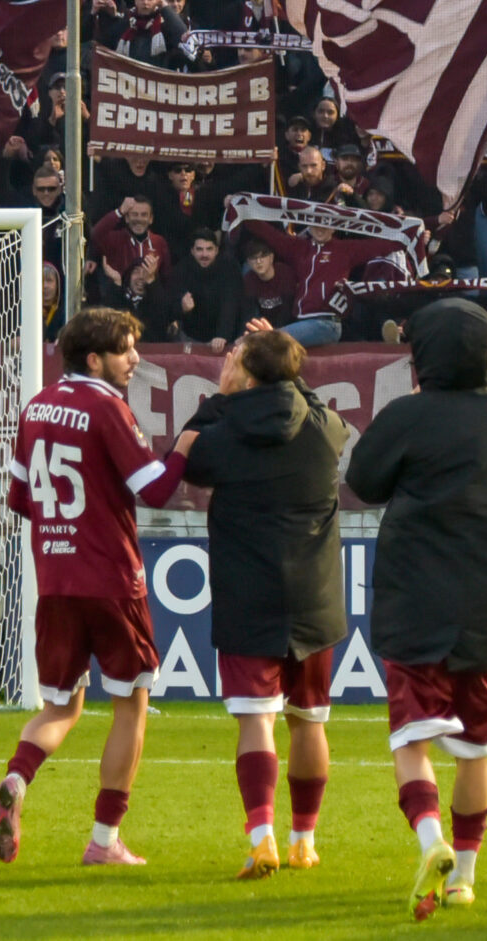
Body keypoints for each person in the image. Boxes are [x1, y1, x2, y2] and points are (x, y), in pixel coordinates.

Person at [345, 297, 487, 919]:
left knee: (412, 736)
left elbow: (364, 481)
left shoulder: (408, 415)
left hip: (415, 596)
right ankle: (463, 875)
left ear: (423, 358)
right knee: (476, 748)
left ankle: (430, 838)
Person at [0, 307, 198, 868]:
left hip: (55, 582)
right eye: (125, 349)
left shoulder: (36, 407)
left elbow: (20, 500)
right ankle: (104, 841)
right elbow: (156, 490)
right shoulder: (107, 408)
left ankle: (17, 777)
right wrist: (185, 445)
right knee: (131, 705)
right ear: (94, 359)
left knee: (61, 706)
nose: (135, 358)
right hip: (111, 580)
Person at [181, 327, 351, 879]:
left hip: (247, 592)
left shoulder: (223, 432)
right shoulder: (325, 427)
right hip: (315, 595)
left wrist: (221, 396)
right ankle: (304, 841)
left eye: (236, 359)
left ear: (246, 376)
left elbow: (187, 456)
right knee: (309, 721)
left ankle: (262, 839)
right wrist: (285, 369)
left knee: (257, 721)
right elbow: (317, 408)